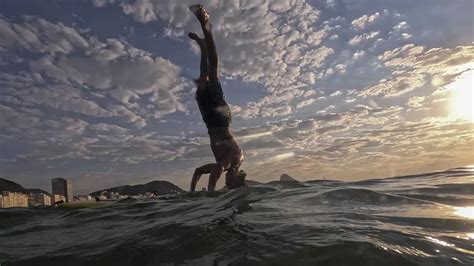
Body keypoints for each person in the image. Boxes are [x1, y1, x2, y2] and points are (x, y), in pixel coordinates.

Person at [188, 4, 246, 192]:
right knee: (213, 75)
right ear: (238, 176)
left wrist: (192, 191)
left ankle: (203, 48)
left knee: (201, 85)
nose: (227, 180)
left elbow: (198, 171)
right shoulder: (235, 160)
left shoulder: (223, 164)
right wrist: (211, 194)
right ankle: (205, 22)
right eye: (231, 181)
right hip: (221, 119)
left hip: (209, 123)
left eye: (227, 183)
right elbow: (220, 169)